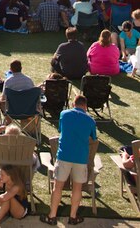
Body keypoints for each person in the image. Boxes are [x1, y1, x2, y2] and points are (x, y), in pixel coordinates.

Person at [40, 95, 97, 225]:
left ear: (73, 104)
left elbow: (61, 130)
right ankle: (73, 217)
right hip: (81, 158)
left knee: (58, 187)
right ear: (85, 106)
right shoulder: (90, 120)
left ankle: (52, 216)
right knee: (77, 188)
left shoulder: (64, 114)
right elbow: (93, 137)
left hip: (64, 155)